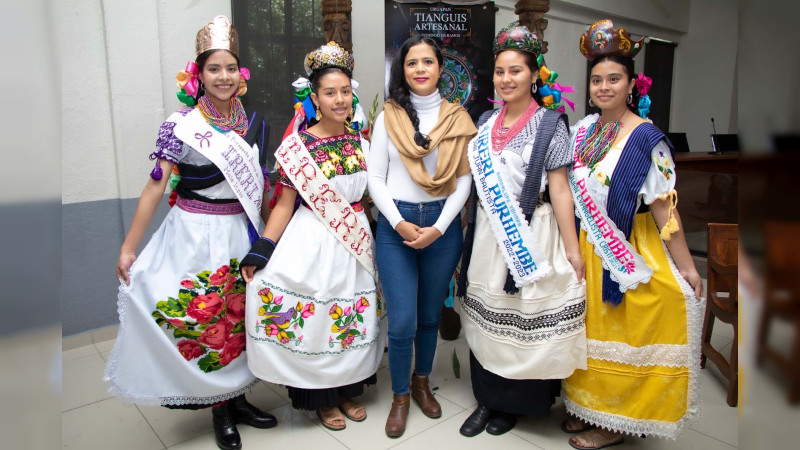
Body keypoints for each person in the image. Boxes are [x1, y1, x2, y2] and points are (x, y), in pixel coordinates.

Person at [106, 15, 276, 450]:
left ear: (242, 73)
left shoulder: (254, 124)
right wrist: (129, 248)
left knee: (241, 319)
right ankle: (219, 408)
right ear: (198, 74)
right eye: (213, 68)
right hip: (193, 233)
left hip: (240, 231)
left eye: (230, 67)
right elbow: (154, 186)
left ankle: (236, 399)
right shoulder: (179, 124)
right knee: (205, 318)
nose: (223, 76)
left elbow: (262, 186)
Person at [561, 20, 704, 449]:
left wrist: (688, 267)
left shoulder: (647, 140)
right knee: (590, 336)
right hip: (589, 247)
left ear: (631, 85)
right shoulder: (583, 131)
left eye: (614, 79)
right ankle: (588, 408)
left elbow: (665, 210)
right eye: (597, 80)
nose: (604, 87)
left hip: (629, 250)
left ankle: (616, 424)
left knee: (628, 334)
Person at [241, 42, 384, 432]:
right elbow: (285, 205)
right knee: (318, 316)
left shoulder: (362, 141)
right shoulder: (297, 147)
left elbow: (373, 196)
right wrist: (262, 250)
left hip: (354, 241)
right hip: (312, 241)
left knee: (351, 315)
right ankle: (320, 400)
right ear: (315, 99)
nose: (340, 100)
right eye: (329, 93)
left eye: (344, 91)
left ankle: (345, 389)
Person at [455, 22, 587, 438]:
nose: (506, 78)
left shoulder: (552, 124)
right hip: (488, 236)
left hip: (534, 234)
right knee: (488, 316)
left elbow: (562, 191)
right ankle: (487, 400)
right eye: (500, 71)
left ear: (534, 74)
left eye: (516, 70)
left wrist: (573, 249)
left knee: (525, 316)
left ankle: (514, 406)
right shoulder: (485, 121)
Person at [368, 34, 477, 438]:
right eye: (412, 63)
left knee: (430, 317)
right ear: (403, 70)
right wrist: (397, 222)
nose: (419, 69)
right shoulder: (389, 117)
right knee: (402, 321)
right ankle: (399, 396)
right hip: (396, 226)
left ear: (439, 67)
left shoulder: (458, 119)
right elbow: (375, 178)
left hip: (442, 227)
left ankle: (421, 382)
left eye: (427, 62)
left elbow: (464, 182)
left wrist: (438, 228)